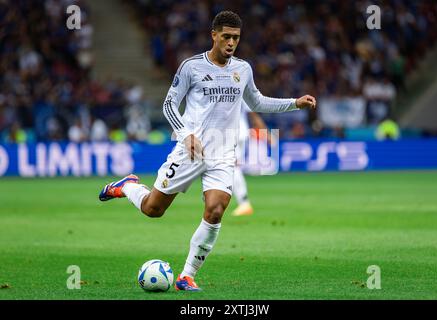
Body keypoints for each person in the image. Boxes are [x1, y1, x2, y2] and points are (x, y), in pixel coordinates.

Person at [98, 11, 316, 291]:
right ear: (214, 35)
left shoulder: (243, 70)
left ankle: (186, 276)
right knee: (153, 209)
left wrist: (294, 103)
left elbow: (257, 101)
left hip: (223, 153)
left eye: (236, 38)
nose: (231, 43)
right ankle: (127, 186)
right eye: (226, 36)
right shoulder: (191, 67)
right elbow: (169, 105)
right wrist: (186, 134)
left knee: (215, 210)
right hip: (190, 151)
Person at [232, 101, 271, 217]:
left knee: (231, 167)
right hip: (236, 132)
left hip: (233, 132)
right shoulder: (239, 86)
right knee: (228, 167)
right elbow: (252, 113)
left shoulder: (230, 86)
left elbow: (253, 114)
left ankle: (244, 203)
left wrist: (265, 132)